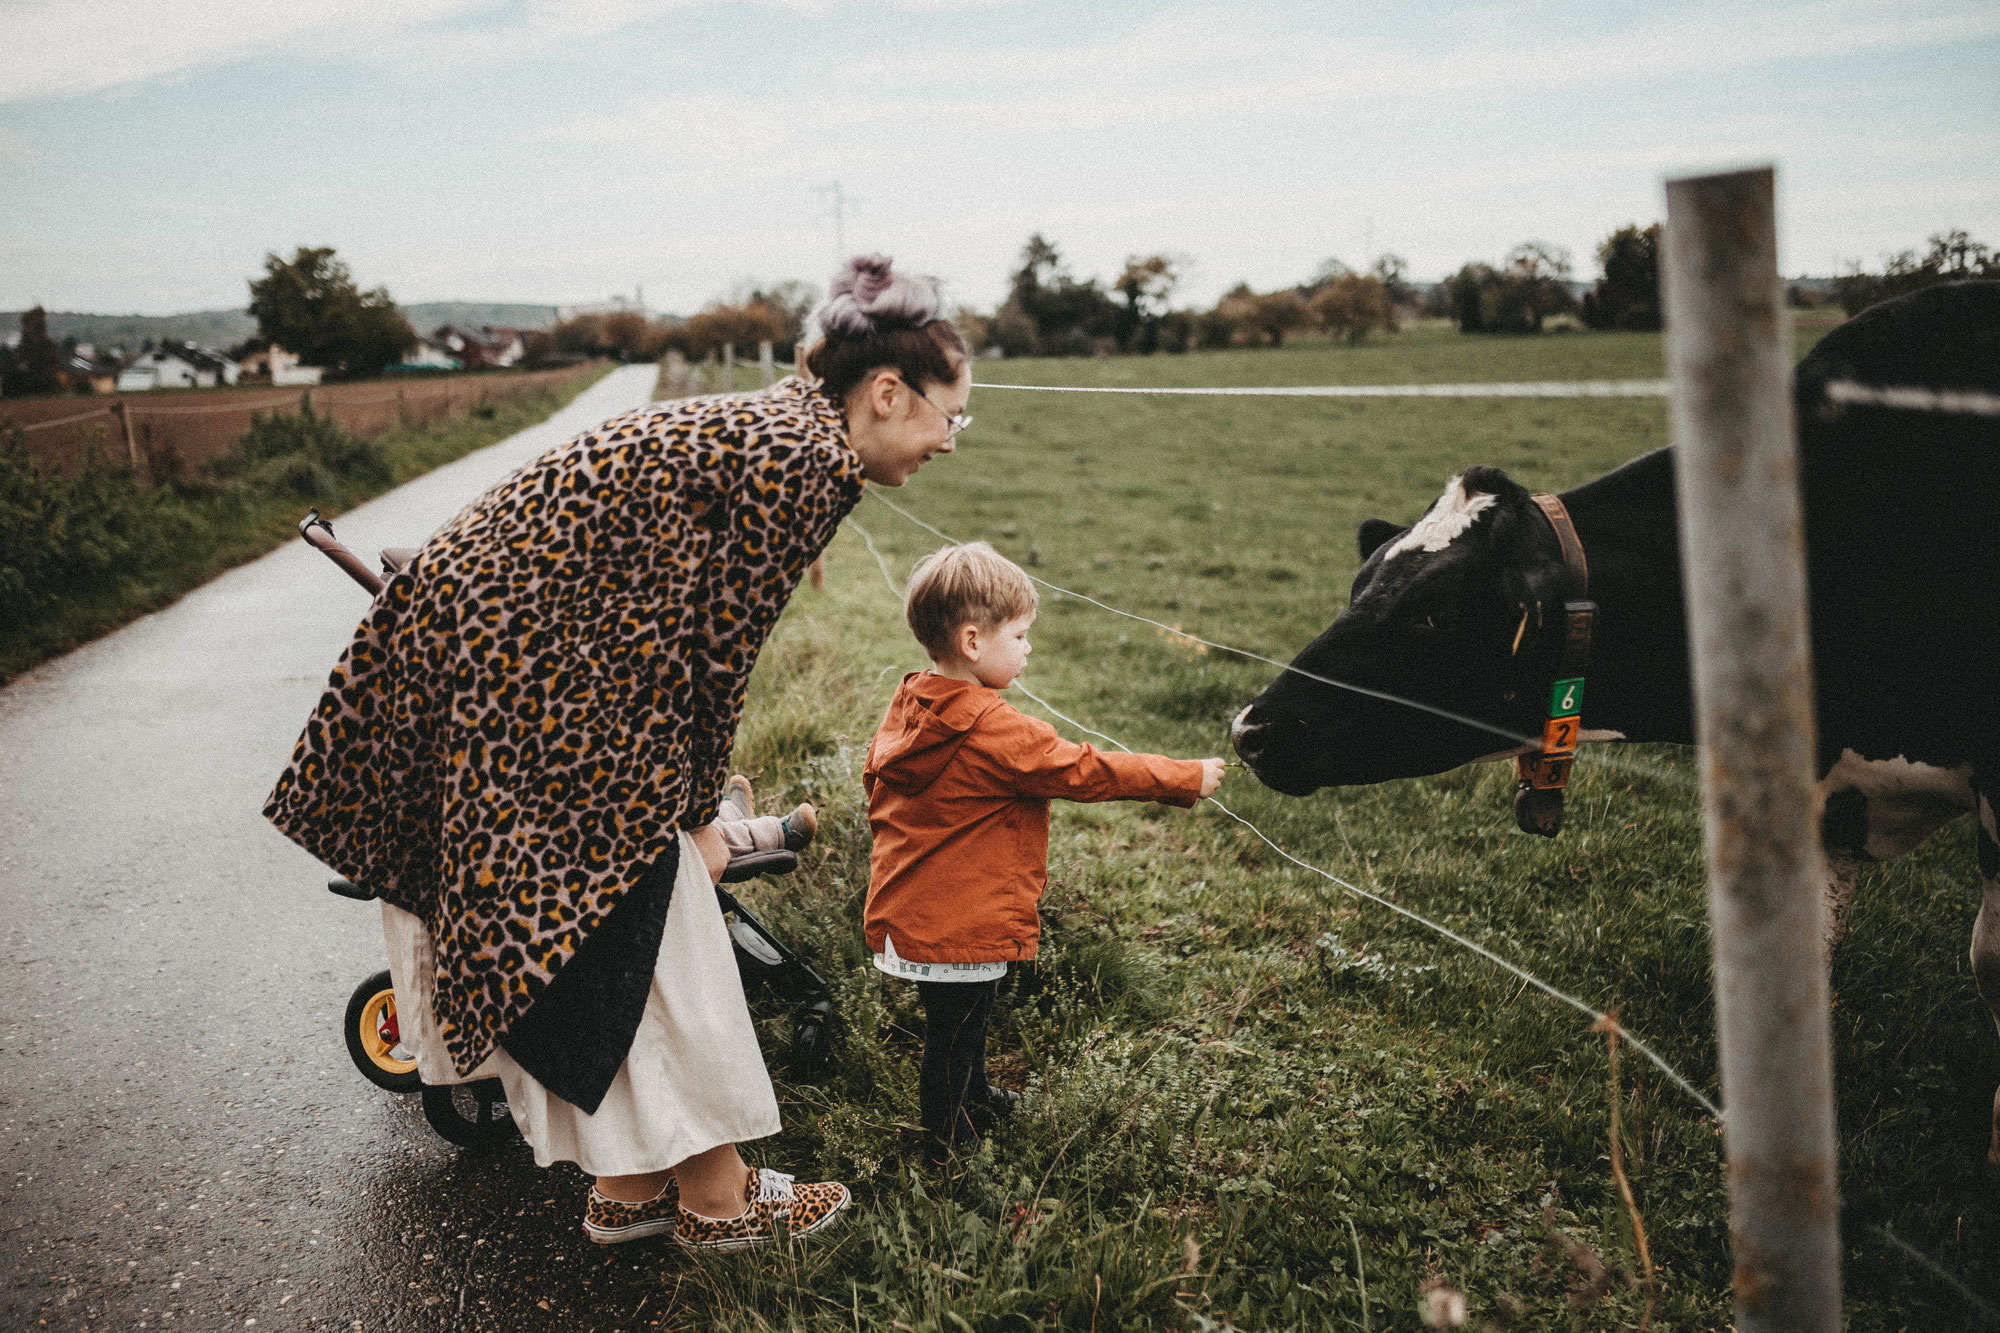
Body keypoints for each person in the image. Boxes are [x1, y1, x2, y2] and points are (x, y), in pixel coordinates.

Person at [263, 253, 971, 1251]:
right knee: (653, 916)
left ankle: (630, 1184)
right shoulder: (804, 458)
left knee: (606, 926)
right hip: (515, 674)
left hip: (503, 662)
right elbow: (717, 656)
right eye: (952, 416)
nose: (951, 440)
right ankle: (719, 1204)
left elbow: (686, 638)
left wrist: (688, 799)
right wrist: (695, 811)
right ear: (888, 393)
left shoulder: (785, 428)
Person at [861, 542, 1226, 1165]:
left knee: (962, 1020)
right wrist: (1184, 777)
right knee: (954, 1033)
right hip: (959, 924)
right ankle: (949, 1146)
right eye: (1023, 635)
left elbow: (875, 785)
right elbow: (1085, 770)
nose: (1030, 649)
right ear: (973, 643)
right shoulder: (996, 728)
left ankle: (975, 1095)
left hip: (911, 911)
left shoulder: (912, 701)